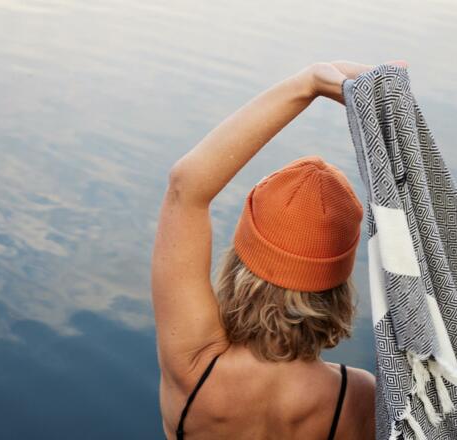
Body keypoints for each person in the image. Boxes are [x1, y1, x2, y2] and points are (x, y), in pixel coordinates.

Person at [151, 60, 407, 440]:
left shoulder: (195, 367)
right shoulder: (358, 398)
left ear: (241, 264)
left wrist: (309, 83)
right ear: (337, 288)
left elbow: (184, 188)